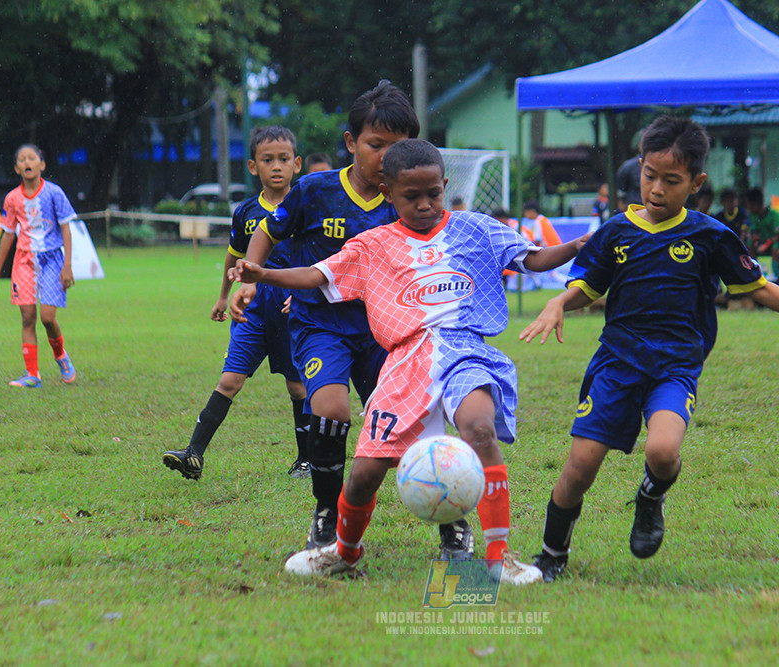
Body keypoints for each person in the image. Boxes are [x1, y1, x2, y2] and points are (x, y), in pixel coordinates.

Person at [230, 138, 591, 583]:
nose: (424, 205)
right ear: (388, 193)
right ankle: (344, 551)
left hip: (464, 351)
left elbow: (534, 259)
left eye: (433, 194)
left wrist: (577, 245)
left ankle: (499, 556)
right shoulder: (372, 245)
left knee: (479, 428)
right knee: (364, 474)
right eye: (411, 196)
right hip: (405, 363)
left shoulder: (477, 229)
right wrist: (262, 273)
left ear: (445, 186)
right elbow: (316, 274)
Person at [518, 116, 779, 582]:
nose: (656, 189)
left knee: (663, 451)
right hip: (616, 364)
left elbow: (756, 286)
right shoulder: (616, 232)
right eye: (649, 175)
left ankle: (650, 498)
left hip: (675, 366)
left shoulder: (709, 235)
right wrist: (557, 303)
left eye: (671, 181)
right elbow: (586, 288)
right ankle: (552, 556)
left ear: (696, 182)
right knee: (581, 467)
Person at [229, 81, 471, 558]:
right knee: (331, 409)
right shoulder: (314, 191)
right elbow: (268, 232)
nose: (386, 157)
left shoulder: (407, 199)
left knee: (413, 421)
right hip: (321, 325)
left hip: (389, 331)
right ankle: (326, 515)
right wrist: (251, 278)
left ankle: (453, 522)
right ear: (350, 142)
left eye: (398, 146)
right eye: (375, 144)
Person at [162, 126, 309, 481]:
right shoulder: (246, 211)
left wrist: (303, 295)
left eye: (284, 159)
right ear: (253, 166)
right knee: (230, 380)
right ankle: (194, 453)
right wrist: (223, 295)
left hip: (292, 307)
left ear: (297, 164)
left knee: (298, 387)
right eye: (268, 160)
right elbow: (235, 256)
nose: (277, 166)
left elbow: (314, 258)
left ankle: (307, 460)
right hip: (251, 308)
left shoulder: (305, 207)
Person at [0, 145, 77, 389]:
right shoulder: (12, 199)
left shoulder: (54, 193)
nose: (27, 162)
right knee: (27, 317)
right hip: (24, 261)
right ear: (17, 168)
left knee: (48, 318)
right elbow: (8, 234)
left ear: (42, 164)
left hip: (52, 260)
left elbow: (66, 228)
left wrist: (67, 265)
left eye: (31, 158)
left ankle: (61, 355)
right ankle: (32, 374)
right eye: (21, 159)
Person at [745, 187, 779, 257]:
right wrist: (756, 241)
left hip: (772, 242)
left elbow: (778, 235)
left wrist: (766, 245)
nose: (747, 207)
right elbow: (753, 231)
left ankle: (774, 264)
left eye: (749, 204)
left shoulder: (774, 215)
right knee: (749, 243)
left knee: (776, 246)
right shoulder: (752, 216)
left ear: (755, 204)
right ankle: (753, 262)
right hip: (759, 242)